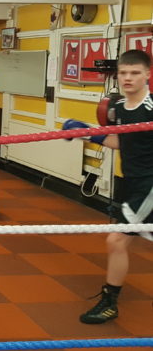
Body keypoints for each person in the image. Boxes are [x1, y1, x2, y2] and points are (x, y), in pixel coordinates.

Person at [62, 49, 153, 324]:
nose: (128, 78)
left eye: (135, 73)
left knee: (116, 239)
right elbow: (119, 142)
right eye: (123, 72)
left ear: (147, 75)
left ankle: (110, 301)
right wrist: (85, 133)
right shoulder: (119, 108)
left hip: (150, 185)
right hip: (132, 181)